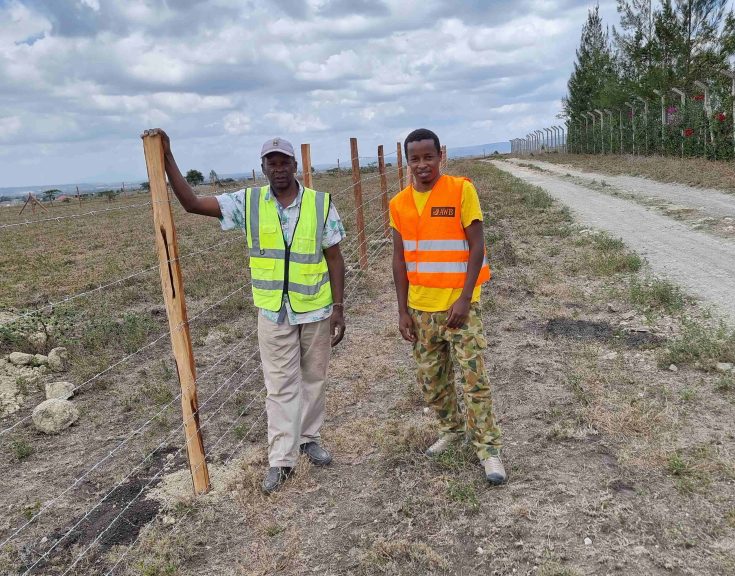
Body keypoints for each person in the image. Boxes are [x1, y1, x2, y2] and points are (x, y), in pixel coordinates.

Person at [141, 129, 346, 494]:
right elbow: (191, 203)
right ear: (263, 167)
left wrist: (339, 308)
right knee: (279, 387)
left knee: (313, 379)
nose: (279, 169)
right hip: (273, 312)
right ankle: (281, 460)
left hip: (316, 308)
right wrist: (168, 158)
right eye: (272, 163)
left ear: (295, 166)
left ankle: (309, 439)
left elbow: (335, 257)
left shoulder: (320, 203)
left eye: (285, 162)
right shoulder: (248, 203)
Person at [389, 128, 506, 485]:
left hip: (459, 309)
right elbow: (399, 259)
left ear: (441, 155)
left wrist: (465, 298)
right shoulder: (399, 204)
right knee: (433, 381)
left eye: (428, 157)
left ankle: (489, 450)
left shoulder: (460, 190)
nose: (422, 165)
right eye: (415, 159)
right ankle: (452, 430)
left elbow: (477, 246)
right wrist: (402, 311)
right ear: (406, 161)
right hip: (421, 310)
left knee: (474, 380)